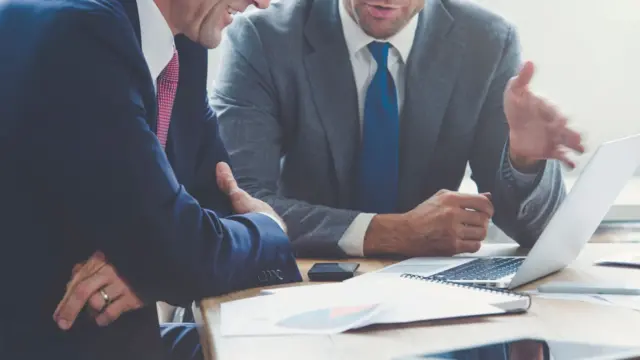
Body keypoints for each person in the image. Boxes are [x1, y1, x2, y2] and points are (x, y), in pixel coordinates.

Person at [0, 0, 301, 359]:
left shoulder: (181, 40)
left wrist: (153, 264)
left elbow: (214, 198)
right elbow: (178, 247)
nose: (263, 3)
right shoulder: (81, 33)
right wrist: (269, 228)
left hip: (114, 338)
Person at [211, 0, 585, 258]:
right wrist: (390, 232)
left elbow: (540, 237)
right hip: (301, 285)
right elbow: (239, 203)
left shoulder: (487, 41)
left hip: (429, 300)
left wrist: (524, 161)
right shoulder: (262, 39)